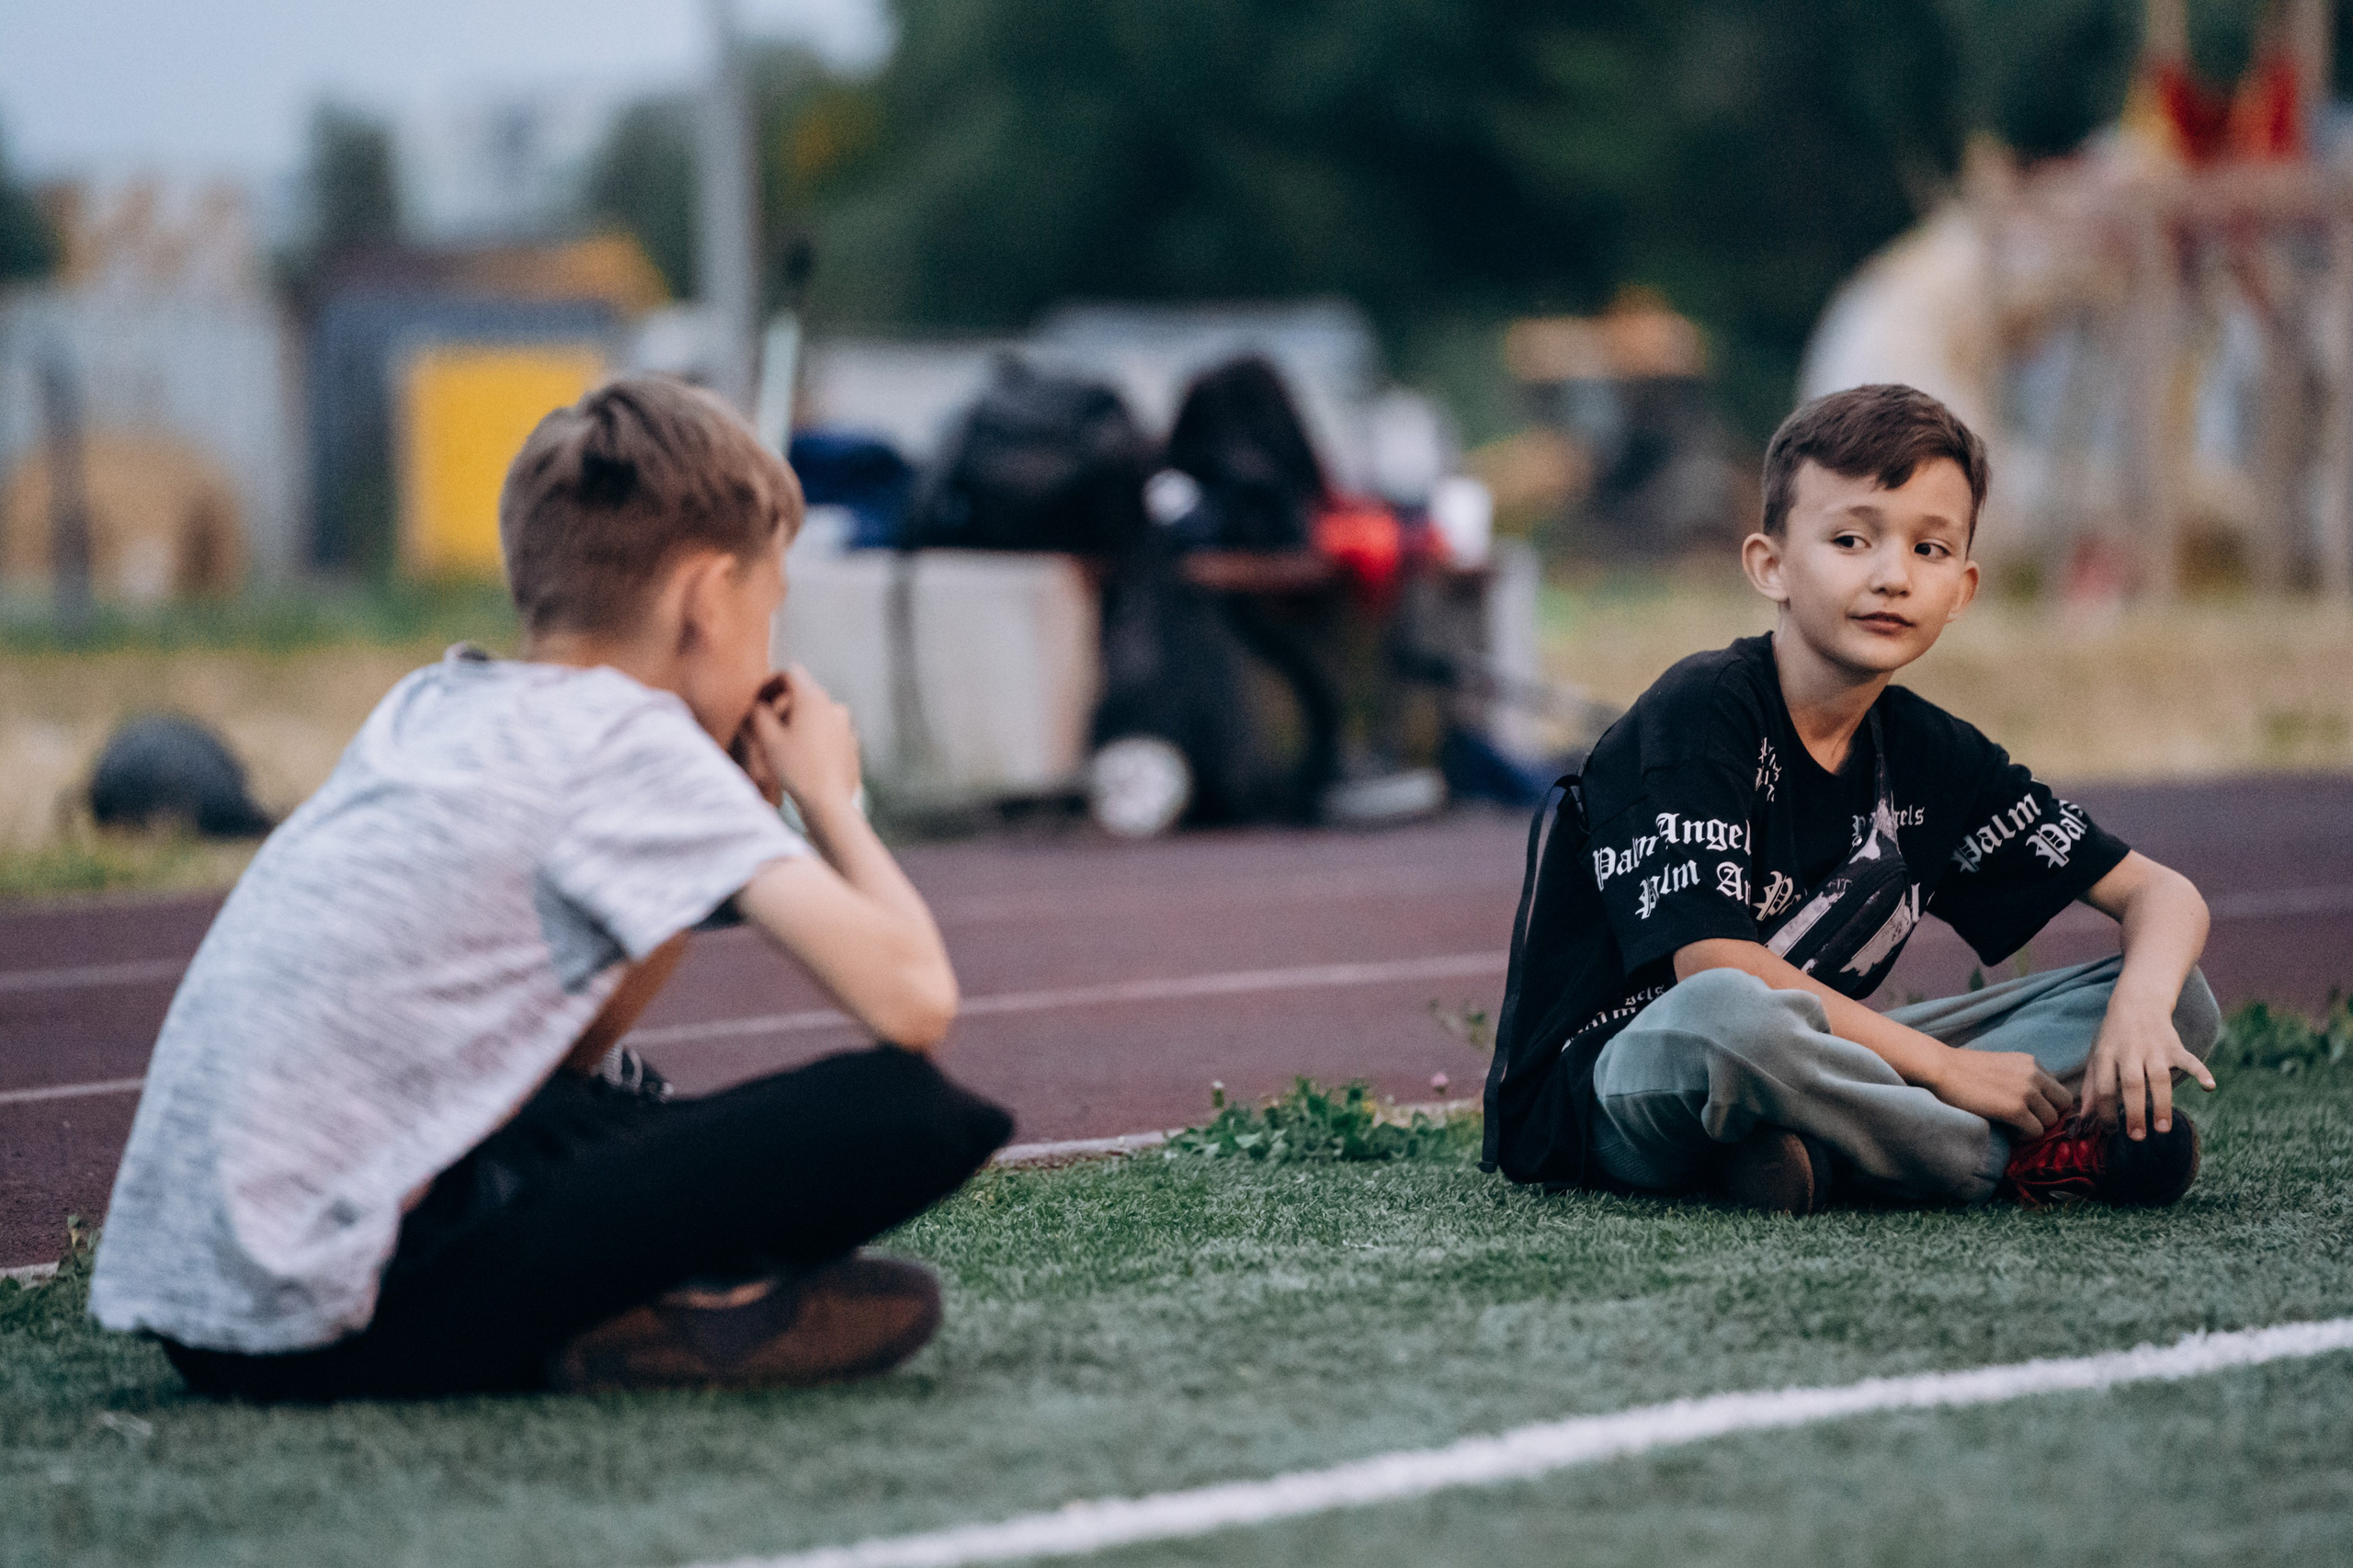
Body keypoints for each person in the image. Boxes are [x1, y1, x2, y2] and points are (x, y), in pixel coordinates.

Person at [88, 375, 1014, 1399]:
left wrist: (728, 817)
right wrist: (830, 799)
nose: (771, 652)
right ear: (707, 598)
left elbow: (556, 1056)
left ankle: (630, 1309)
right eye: (769, 607)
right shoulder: (627, 740)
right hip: (336, 1316)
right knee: (910, 1109)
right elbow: (915, 998)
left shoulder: (438, 699)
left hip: (211, 1304)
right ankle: (622, 1312)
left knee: (617, 1110)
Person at [1482, 383, 2219, 1215]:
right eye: (1850, 539)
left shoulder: (1935, 756)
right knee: (1737, 1016)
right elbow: (1713, 966)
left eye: (1929, 550)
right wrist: (1945, 1069)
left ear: (1964, 590)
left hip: (1819, 1070)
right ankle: (1996, 1163)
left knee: (2176, 997)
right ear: (1771, 566)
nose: (1892, 575)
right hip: (1623, 1083)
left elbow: (2162, 895)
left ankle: (1829, 1154)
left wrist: (2141, 1012)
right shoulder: (1702, 709)